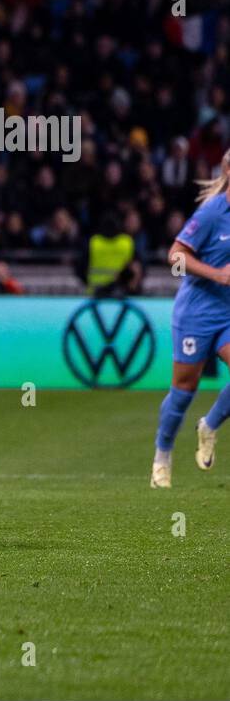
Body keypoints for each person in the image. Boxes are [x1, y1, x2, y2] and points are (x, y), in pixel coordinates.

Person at [151, 149, 230, 488]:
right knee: (184, 389)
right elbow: (175, 258)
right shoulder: (212, 212)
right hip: (197, 312)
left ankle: (209, 425)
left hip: (227, 312)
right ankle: (162, 457)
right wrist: (216, 274)